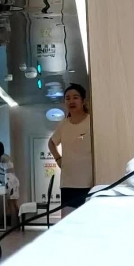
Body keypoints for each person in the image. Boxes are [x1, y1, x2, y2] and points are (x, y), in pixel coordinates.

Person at [48, 84, 93, 216]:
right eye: (67, 98)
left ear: (83, 101)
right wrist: (58, 159)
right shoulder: (64, 124)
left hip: (88, 182)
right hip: (68, 182)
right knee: (68, 220)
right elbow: (51, 143)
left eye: (75, 97)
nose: (71, 101)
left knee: (87, 219)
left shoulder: (91, 122)